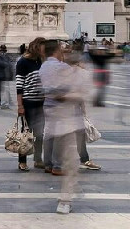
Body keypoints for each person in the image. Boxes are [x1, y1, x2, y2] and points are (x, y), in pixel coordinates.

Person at [40, 39, 91, 215]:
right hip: (67, 120)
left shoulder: (45, 67)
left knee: (67, 158)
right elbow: (76, 91)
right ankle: (65, 199)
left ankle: (66, 192)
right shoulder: (66, 70)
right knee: (71, 161)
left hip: (54, 117)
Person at [14, 37, 46, 172]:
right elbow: (19, 85)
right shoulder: (23, 62)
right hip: (28, 102)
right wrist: (20, 105)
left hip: (42, 102)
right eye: (43, 48)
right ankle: (22, 161)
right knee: (27, 133)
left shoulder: (41, 61)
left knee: (40, 133)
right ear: (37, 47)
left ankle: (38, 159)